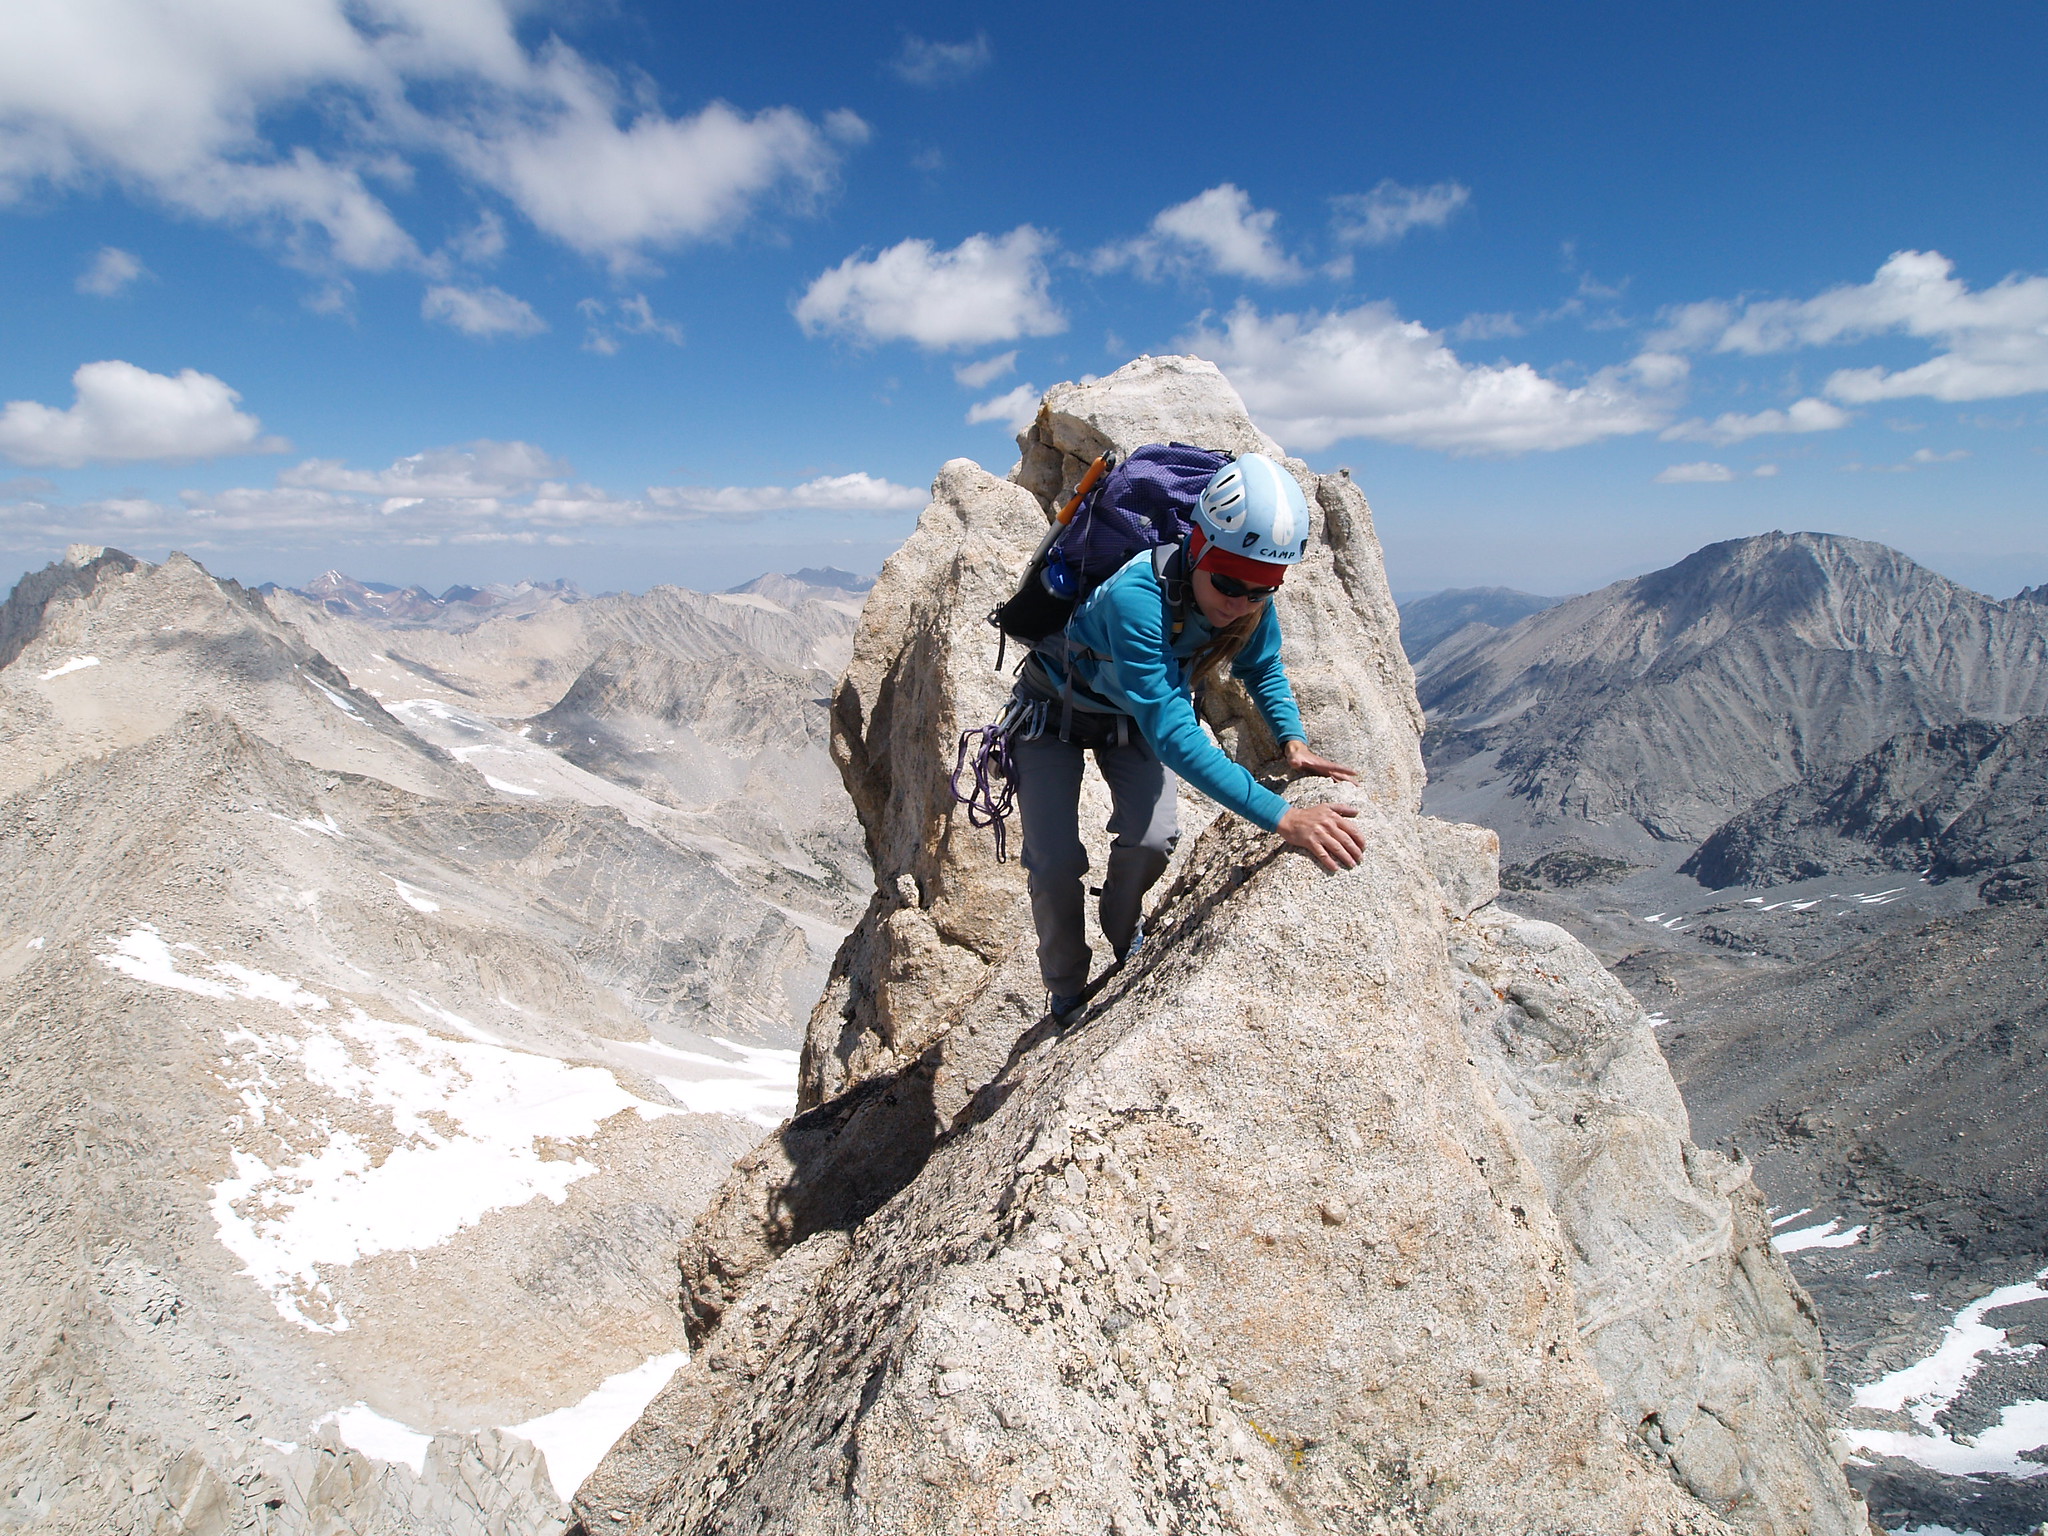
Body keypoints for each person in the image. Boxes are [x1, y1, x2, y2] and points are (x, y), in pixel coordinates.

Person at [1009, 452, 1367, 1018]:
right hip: (1052, 710)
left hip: (1126, 717)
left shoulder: (1246, 595)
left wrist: (1291, 740)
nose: (1239, 602)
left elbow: (1263, 666)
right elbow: (1174, 733)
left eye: (1261, 589)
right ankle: (1066, 985)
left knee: (1153, 839)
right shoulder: (1138, 597)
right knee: (1054, 862)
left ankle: (1122, 931)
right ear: (1196, 547)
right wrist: (1282, 817)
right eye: (1226, 582)